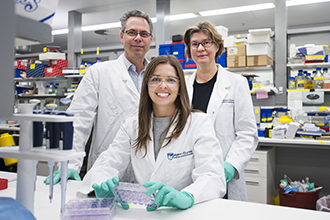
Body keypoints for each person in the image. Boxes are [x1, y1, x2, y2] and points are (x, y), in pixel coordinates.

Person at [78, 55, 226, 211]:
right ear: (146, 85)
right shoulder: (132, 125)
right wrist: (102, 183)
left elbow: (212, 176)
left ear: (180, 86)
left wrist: (187, 197)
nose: (163, 86)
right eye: (155, 79)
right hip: (144, 212)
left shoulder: (198, 123)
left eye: (171, 80)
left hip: (183, 213)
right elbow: (108, 162)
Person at [44, 9, 153, 185]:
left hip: (148, 169)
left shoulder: (158, 76)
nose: (138, 38)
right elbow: (79, 121)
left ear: (150, 39)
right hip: (106, 167)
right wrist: (70, 164)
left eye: (144, 33)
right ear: (121, 36)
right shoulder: (98, 72)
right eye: (132, 32)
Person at [183, 21, 258, 201]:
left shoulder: (236, 83)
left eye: (206, 42)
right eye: (194, 44)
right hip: (189, 174)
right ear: (189, 50)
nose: (200, 48)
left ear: (217, 46)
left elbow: (247, 133)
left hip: (224, 174)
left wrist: (231, 165)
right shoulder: (183, 87)